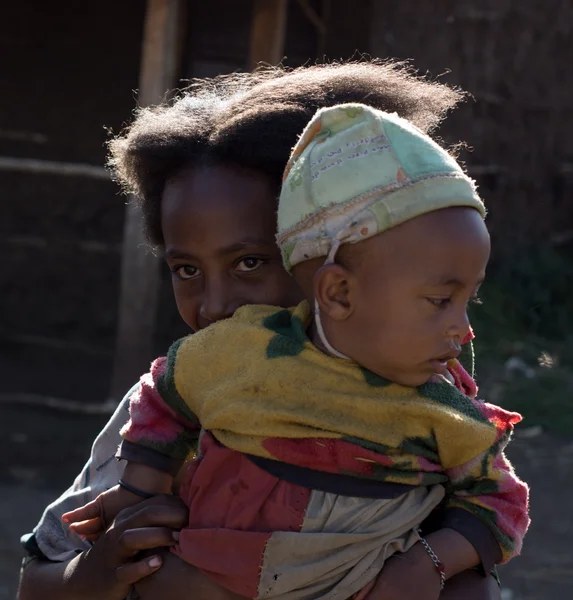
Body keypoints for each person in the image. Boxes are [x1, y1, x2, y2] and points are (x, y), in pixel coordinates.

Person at [18, 61, 503, 600]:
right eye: (187, 271)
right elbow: (36, 582)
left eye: (251, 263)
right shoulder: (175, 400)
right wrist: (100, 570)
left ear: (332, 274)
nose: (216, 306)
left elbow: (475, 561)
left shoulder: (422, 409)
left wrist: (429, 567)